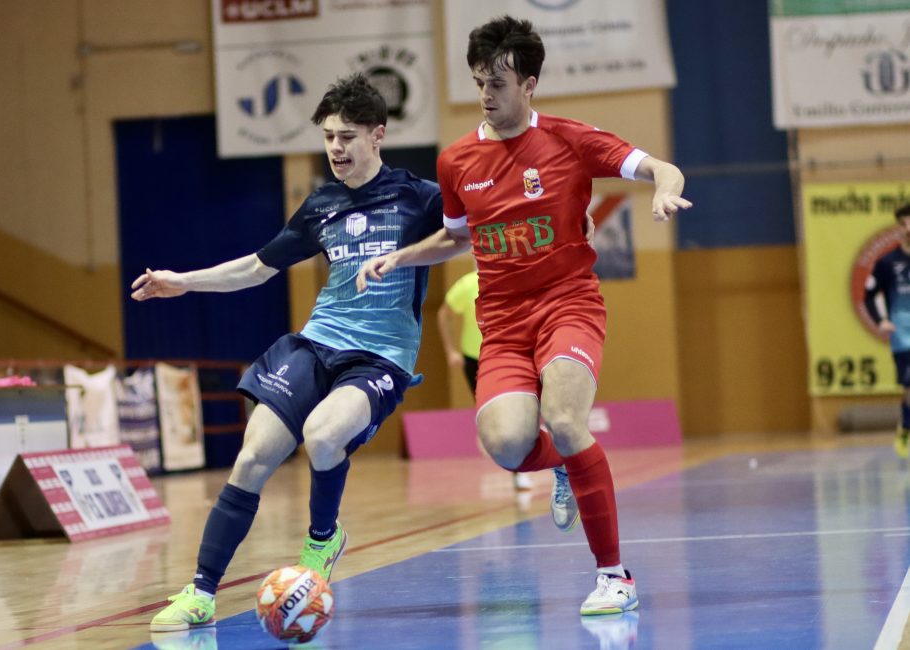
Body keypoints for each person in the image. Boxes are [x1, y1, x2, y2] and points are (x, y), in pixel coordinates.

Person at [357, 15, 692, 616]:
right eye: (479, 82)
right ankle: (563, 461)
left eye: (499, 83)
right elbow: (456, 236)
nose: (487, 94)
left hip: (568, 304)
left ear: (529, 84)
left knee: (564, 418)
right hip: (503, 324)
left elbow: (659, 168)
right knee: (507, 445)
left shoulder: (569, 140)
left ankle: (614, 576)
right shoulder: (457, 161)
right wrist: (400, 257)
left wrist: (665, 189)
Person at [135, 74, 446, 633]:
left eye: (347, 137)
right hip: (316, 342)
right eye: (328, 137)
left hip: (379, 357)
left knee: (323, 436)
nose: (336, 149)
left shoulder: (419, 197)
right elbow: (258, 267)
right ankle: (200, 592)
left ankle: (322, 539)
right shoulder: (321, 205)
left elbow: (473, 230)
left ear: (378, 134)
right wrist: (183, 281)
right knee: (253, 456)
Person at [438, 269, 534, 490]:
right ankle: (490, 429)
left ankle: (519, 470)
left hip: (506, 355)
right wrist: (450, 351)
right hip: (474, 359)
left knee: (514, 414)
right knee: (492, 413)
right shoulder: (466, 284)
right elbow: (443, 314)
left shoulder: (512, 279)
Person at [863, 202, 910, 458]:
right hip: (904, 337)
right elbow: (869, 294)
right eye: (905, 223)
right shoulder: (887, 262)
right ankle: (907, 428)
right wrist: (880, 320)